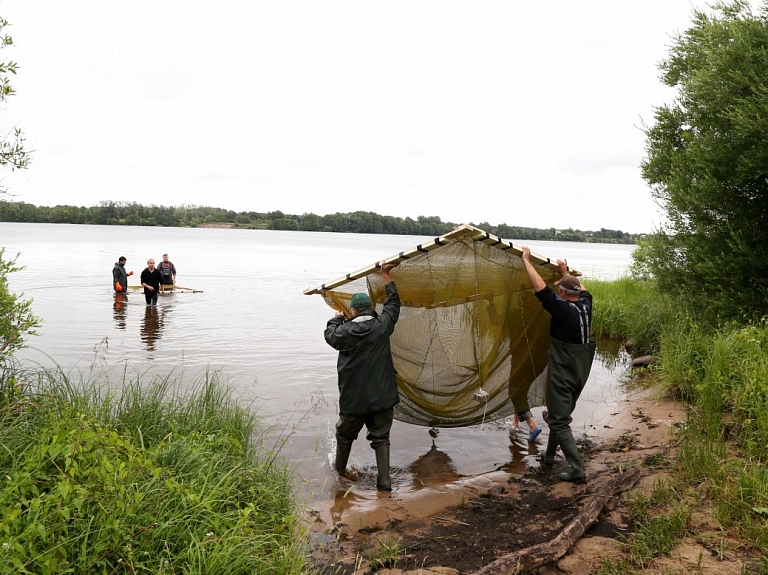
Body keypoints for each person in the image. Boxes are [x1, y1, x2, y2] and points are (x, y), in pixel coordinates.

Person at [324, 260, 401, 491]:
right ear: (371, 310)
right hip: (382, 399)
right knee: (381, 438)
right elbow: (393, 304)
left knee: (344, 436)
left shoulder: (343, 332)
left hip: (353, 401)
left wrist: (337, 317)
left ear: (354, 312)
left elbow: (329, 334)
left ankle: (338, 478)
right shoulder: (382, 325)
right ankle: (384, 483)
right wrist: (386, 276)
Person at [521, 247, 596, 482]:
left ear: (563, 293)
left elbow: (541, 290)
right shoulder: (586, 304)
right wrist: (564, 272)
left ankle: (577, 469)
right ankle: (549, 456)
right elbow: (581, 288)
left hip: (563, 370)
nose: (558, 292)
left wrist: (526, 260)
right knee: (557, 414)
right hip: (580, 371)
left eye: (559, 290)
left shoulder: (563, 310)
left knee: (560, 421)